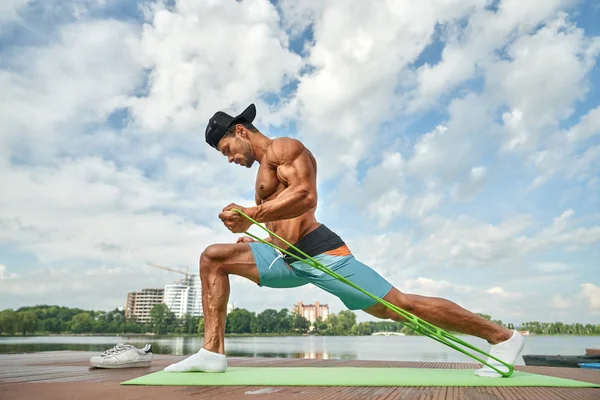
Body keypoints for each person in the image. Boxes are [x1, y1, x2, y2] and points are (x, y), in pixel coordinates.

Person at [164, 103, 525, 377]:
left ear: (240, 131)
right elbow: (280, 219)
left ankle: (502, 339)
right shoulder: (262, 171)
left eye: (227, 149)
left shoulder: (283, 150)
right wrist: (254, 240)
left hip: (320, 252)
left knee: (401, 305)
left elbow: (306, 197)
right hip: (283, 258)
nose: (229, 159)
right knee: (213, 257)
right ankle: (212, 352)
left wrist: (252, 215)